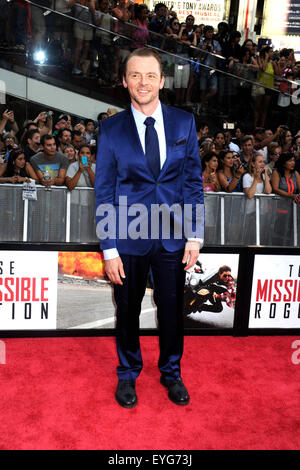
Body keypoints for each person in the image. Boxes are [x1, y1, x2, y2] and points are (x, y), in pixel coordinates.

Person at [94, 47, 204, 408]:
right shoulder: (110, 130)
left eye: (151, 75)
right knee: (126, 311)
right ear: (125, 81)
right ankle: (128, 373)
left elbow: (192, 182)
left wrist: (195, 234)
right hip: (127, 238)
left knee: (172, 310)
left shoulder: (183, 123)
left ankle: (172, 372)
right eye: (136, 75)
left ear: (162, 80)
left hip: (173, 237)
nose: (144, 82)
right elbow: (105, 192)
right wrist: (109, 249)